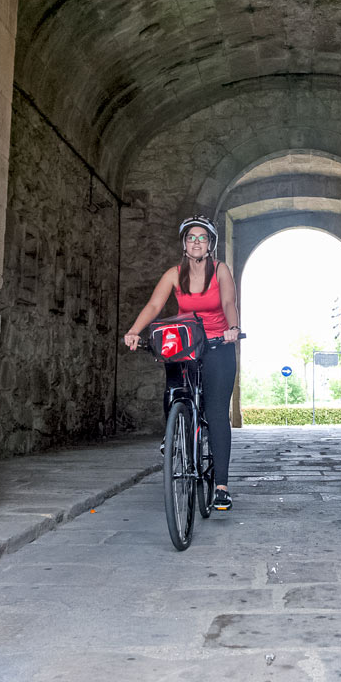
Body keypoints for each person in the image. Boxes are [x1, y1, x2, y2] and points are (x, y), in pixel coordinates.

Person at [124, 216, 241, 510]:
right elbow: (154, 305)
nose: (197, 242)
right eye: (191, 238)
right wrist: (135, 331)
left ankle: (222, 486)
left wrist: (233, 328)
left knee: (215, 413)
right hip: (187, 342)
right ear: (184, 244)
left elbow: (229, 302)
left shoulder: (220, 270)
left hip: (218, 343)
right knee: (174, 387)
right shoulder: (175, 274)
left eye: (202, 237)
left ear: (210, 244)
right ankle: (174, 431)